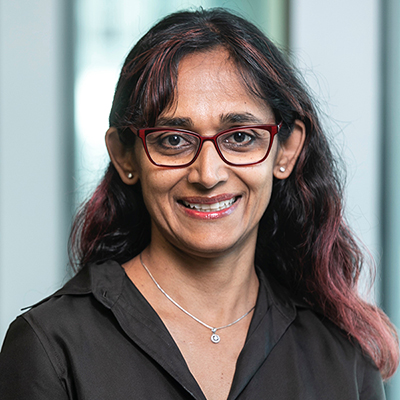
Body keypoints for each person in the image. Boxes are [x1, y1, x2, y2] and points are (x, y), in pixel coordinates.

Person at [0, 8, 398, 400]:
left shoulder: (343, 358)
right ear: (125, 156)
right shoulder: (52, 347)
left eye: (240, 137)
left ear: (286, 150)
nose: (208, 175)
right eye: (173, 139)